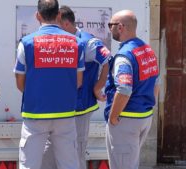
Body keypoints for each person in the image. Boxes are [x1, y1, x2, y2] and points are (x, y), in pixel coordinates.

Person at [14, 0, 85, 169]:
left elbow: (20, 82)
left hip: (35, 114)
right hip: (65, 113)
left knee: (29, 164)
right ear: (59, 15)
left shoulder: (26, 43)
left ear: (38, 16)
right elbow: (79, 81)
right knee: (69, 164)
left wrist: (36, 93)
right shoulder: (76, 42)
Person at [41, 5, 110, 169]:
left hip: (80, 109)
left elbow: (109, 61)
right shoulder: (59, 42)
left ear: (64, 24)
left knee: (75, 151)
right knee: (50, 150)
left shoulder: (88, 43)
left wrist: (97, 88)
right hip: (58, 108)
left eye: (55, 26)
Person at [104, 10, 159, 169]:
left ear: (120, 27)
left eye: (111, 25)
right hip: (143, 117)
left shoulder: (124, 56)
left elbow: (124, 89)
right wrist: (149, 107)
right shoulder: (147, 50)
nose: (110, 28)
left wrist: (113, 117)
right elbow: (156, 81)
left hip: (125, 119)